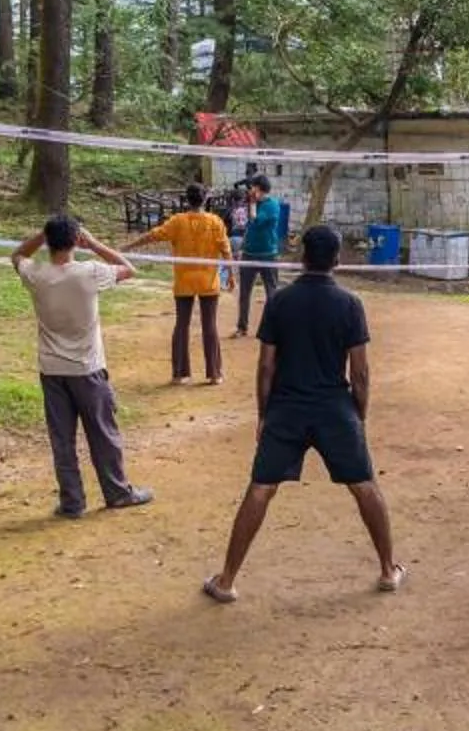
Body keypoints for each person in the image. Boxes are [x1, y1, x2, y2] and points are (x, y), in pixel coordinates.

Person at [202, 223, 400, 602]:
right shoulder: (349, 304)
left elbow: (265, 366)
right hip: (334, 408)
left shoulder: (280, 301)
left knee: (260, 489)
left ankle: (226, 581)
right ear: (337, 261)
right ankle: (388, 571)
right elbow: (359, 371)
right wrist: (358, 414)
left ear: (302, 257)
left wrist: (263, 414)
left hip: (286, 409)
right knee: (364, 485)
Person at [11, 216, 154, 519]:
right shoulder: (89, 272)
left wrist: (41, 235)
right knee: (103, 433)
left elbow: (17, 255)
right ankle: (117, 492)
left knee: (62, 439)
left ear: (49, 242)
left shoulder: (37, 274)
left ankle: (72, 502)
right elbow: (130, 268)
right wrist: (94, 244)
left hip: (52, 370)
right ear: (76, 240)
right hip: (88, 368)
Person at [131, 183, 231, 383]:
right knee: (209, 325)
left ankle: (179, 373)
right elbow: (225, 249)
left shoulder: (177, 222)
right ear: (205, 200)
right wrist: (231, 275)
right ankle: (214, 374)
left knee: (182, 324)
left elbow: (154, 235)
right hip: (208, 281)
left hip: (184, 281)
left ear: (187, 199)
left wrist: (129, 246)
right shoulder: (215, 222)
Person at [233, 174, 288, 338]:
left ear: (259, 188)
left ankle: (274, 327)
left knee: (271, 292)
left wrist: (253, 203)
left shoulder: (272, 205)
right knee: (244, 292)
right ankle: (242, 326)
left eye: (253, 187)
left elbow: (256, 221)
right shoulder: (254, 204)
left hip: (267, 254)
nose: (250, 190)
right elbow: (244, 223)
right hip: (249, 253)